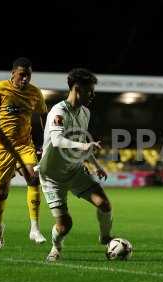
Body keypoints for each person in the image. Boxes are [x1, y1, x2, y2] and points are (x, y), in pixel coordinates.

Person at [0, 57, 47, 250]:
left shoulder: (35, 93)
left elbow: (44, 114)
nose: (25, 79)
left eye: (28, 75)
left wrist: (47, 140)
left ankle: (34, 228)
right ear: (13, 73)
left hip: (24, 144)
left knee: (34, 178)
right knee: (0, 193)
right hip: (1, 148)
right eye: (22, 75)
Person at [37, 68, 114, 262]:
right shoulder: (58, 111)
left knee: (104, 204)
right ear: (77, 89)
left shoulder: (85, 113)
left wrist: (95, 165)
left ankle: (105, 237)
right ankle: (56, 247)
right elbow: (57, 140)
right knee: (65, 225)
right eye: (90, 91)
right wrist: (85, 145)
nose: (93, 95)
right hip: (52, 176)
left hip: (74, 170)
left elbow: (80, 146)